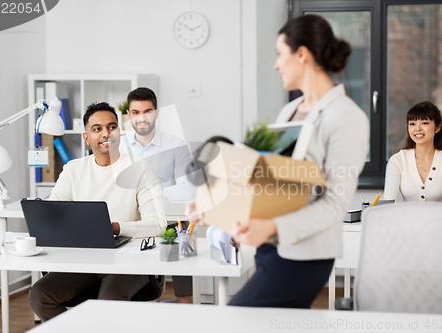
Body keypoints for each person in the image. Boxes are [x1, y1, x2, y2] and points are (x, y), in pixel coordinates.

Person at [187, 14, 369, 308]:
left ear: (301, 54)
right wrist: (210, 205)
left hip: (305, 256)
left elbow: (334, 205)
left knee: (237, 317)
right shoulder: (291, 111)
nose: (276, 64)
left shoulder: (347, 117)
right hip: (270, 249)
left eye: (279, 54)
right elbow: (267, 182)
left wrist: (273, 227)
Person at [28, 102, 166, 321]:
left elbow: (158, 224)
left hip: (127, 263)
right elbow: (54, 212)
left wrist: (116, 227)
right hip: (83, 260)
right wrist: (43, 218)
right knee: (39, 295)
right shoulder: (73, 169)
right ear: (86, 137)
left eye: (112, 127)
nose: (106, 133)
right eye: (97, 128)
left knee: (109, 300)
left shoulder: (140, 169)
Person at [119, 87, 194, 303]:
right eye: (135, 112)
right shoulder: (119, 146)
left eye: (147, 111)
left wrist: (148, 193)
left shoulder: (175, 145)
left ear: (157, 113)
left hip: (169, 217)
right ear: (129, 115)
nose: (141, 118)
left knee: (181, 232)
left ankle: (185, 303)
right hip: (131, 216)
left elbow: (187, 189)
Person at [384, 101, 442, 204]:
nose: (417, 129)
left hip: (441, 220)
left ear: (437, 127)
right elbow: (389, 203)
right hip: (406, 220)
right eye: (412, 124)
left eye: (424, 123)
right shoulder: (397, 160)